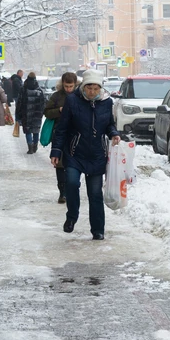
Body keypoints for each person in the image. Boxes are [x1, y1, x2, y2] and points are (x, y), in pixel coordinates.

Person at [50, 69, 120, 240]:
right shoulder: (73, 101)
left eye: (96, 88)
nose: (92, 92)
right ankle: (72, 216)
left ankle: (98, 230)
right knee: (72, 184)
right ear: (83, 86)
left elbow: (109, 124)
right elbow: (62, 128)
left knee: (95, 193)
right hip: (75, 152)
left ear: (100, 88)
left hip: (96, 154)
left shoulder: (107, 102)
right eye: (89, 88)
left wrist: (114, 133)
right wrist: (56, 151)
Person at [44, 72, 78, 203]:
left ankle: (71, 190)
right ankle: (62, 192)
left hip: (76, 136)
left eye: (71, 86)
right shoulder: (57, 96)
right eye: (66, 86)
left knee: (73, 166)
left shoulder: (80, 96)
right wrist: (59, 110)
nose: (68, 89)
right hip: (59, 135)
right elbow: (46, 112)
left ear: (75, 85)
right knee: (60, 165)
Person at [16, 72, 47, 154]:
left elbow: (19, 102)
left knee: (28, 131)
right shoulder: (39, 90)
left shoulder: (23, 89)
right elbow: (43, 103)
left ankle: (30, 147)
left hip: (26, 113)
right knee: (36, 130)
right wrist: (41, 112)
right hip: (37, 114)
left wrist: (18, 114)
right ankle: (35, 146)